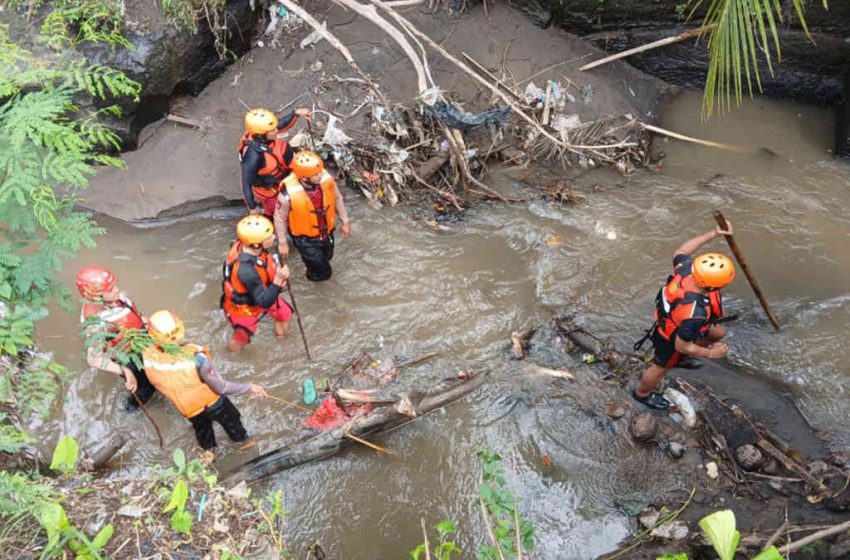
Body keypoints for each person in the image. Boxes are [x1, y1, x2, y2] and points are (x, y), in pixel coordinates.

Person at [633, 222, 736, 410]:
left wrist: (714, 233)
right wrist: (710, 353)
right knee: (660, 367)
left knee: (718, 332)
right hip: (670, 337)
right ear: (713, 287)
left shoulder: (686, 269)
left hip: (676, 321)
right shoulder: (694, 314)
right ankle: (642, 393)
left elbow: (682, 249)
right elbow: (681, 345)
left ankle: (684, 357)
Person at [142, 310, 268, 451]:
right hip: (214, 404)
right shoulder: (197, 358)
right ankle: (243, 444)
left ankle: (209, 455)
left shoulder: (148, 355)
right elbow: (221, 387)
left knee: (203, 433)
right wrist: (249, 387)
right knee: (233, 423)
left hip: (190, 409)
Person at [77, 266, 156, 410]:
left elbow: (133, 315)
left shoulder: (116, 299)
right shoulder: (96, 323)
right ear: (97, 296)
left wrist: (143, 322)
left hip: (139, 342)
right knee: (145, 388)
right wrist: (124, 370)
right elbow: (94, 359)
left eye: (114, 286)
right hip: (128, 357)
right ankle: (130, 409)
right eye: (110, 290)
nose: (117, 290)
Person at [273, 150, 351, 282]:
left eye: (320, 171)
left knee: (327, 257)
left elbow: (337, 199)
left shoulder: (326, 179)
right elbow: (280, 218)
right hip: (305, 238)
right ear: (304, 178)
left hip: (326, 232)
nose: (320, 175)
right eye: (316, 174)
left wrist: (345, 221)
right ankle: (313, 280)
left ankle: (310, 269)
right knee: (324, 272)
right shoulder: (287, 193)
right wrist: (282, 242)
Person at [221, 214, 292, 353]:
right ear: (256, 244)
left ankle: (282, 342)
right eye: (269, 236)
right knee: (241, 338)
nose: (274, 237)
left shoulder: (246, 245)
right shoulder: (246, 271)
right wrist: (278, 279)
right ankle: (233, 354)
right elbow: (263, 302)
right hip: (244, 308)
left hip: (261, 290)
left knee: (285, 314)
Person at [239, 107, 312, 217]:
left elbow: (281, 124)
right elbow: (246, 185)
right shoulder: (253, 156)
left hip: (280, 178)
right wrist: (252, 209)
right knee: (278, 213)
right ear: (261, 134)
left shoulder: (260, 133)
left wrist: (296, 113)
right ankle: (270, 218)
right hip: (269, 191)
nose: (276, 130)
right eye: (272, 130)